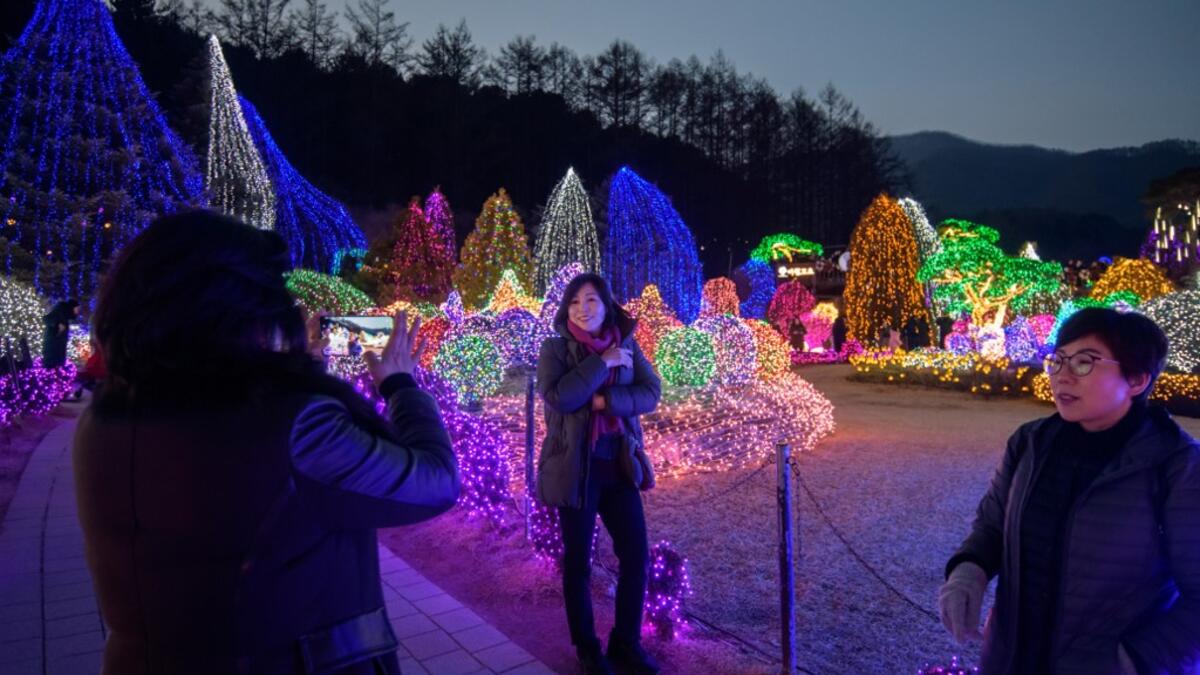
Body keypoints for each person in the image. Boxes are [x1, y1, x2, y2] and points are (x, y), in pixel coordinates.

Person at [74, 211, 460, 674]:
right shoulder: (292, 425)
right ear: (240, 311)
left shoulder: (104, 418)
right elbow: (435, 481)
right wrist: (401, 385)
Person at [938, 308, 1200, 674]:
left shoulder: (1176, 465)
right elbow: (993, 527)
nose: (1061, 376)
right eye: (1057, 360)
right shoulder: (1030, 443)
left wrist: (1138, 660)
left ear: (1137, 379)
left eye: (1084, 363)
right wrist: (969, 571)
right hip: (1011, 659)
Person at [537, 273, 662, 675]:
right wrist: (601, 363)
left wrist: (605, 399)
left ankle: (625, 642)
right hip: (576, 468)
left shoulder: (626, 342)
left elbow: (651, 392)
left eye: (591, 300)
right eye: (574, 302)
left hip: (618, 463)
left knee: (636, 556)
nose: (583, 309)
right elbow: (559, 397)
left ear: (607, 305)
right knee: (578, 562)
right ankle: (588, 649)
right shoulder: (555, 350)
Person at [42, 298, 79, 368]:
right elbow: (46, 319)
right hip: (52, 349)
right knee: (52, 369)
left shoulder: (66, 315)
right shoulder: (61, 309)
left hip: (58, 349)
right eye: (77, 308)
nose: (78, 311)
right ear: (72, 307)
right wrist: (57, 324)